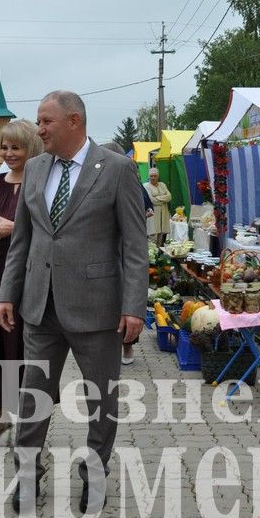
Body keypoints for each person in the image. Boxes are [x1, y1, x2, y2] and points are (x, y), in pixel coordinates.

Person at [0, 90, 147, 514]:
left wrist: (134, 306)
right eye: (38, 121)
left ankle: (94, 478)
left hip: (98, 309)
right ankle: (27, 478)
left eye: (46, 122)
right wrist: (8, 292)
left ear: (74, 121)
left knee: (102, 401)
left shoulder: (116, 169)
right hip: (39, 306)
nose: (38, 129)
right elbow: (23, 239)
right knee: (32, 398)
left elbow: (135, 246)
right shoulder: (37, 167)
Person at [0, 119, 42, 448]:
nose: (9, 153)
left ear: (31, 148)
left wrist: (11, 227)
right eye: (5, 146)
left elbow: (47, 228)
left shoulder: (42, 180)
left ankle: (29, 422)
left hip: (31, 272)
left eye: (16, 146)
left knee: (25, 347)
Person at [101, 140, 151, 365]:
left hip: (123, 249)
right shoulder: (92, 183)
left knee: (125, 298)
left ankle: (127, 344)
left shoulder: (130, 181)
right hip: (100, 252)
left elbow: (145, 209)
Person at [144, 167, 171, 246]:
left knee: (162, 235)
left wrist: (157, 198)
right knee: (153, 235)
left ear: (158, 176)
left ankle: (160, 255)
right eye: (151, 176)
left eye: (155, 176)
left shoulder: (162, 185)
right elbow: (151, 200)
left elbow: (169, 197)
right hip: (153, 214)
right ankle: (151, 255)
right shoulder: (146, 186)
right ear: (149, 176)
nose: (153, 178)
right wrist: (163, 198)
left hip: (164, 213)